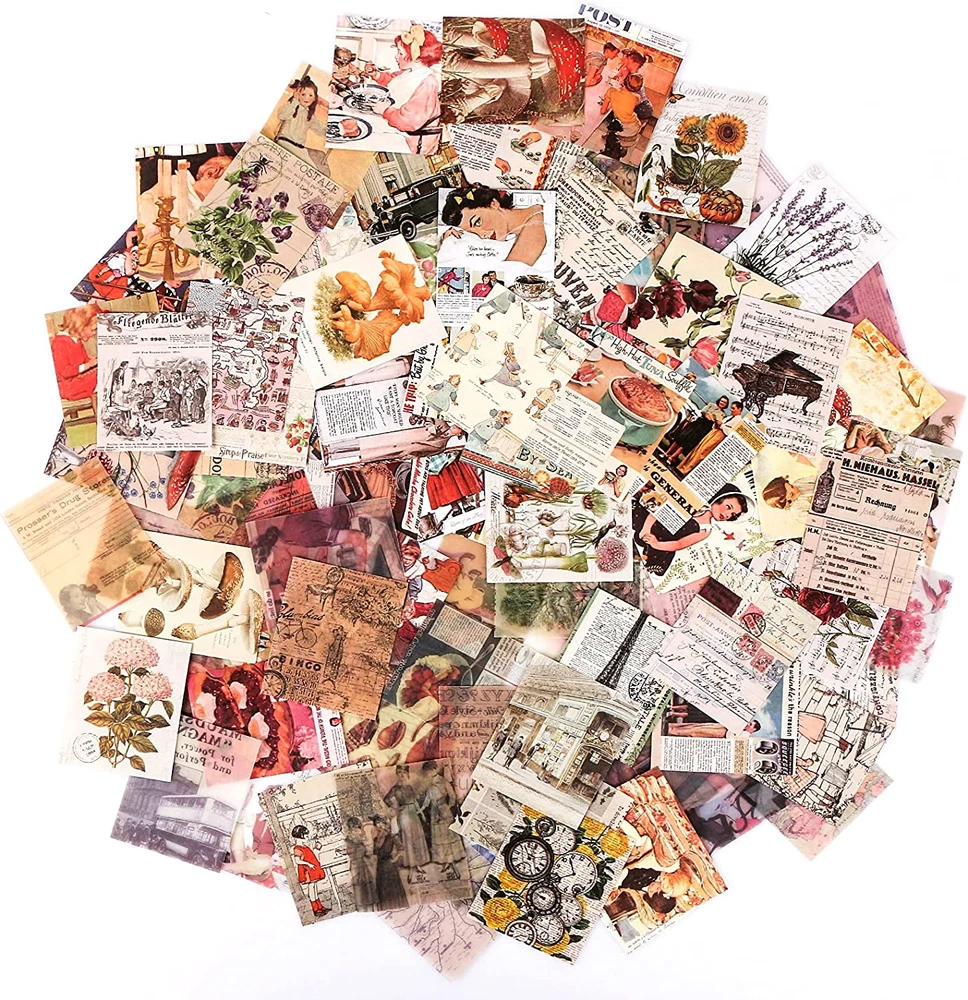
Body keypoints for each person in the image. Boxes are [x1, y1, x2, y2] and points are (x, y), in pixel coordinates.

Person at [636, 483, 749, 575]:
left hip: (663, 545)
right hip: (649, 525)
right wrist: (646, 528)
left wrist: (656, 544)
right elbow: (660, 509)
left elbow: (679, 544)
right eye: (728, 507)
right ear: (720, 498)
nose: (728, 514)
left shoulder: (705, 529)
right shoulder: (692, 501)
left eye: (733, 514)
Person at [364, 25, 444, 154]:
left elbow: (410, 121)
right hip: (399, 126)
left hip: (413, 140)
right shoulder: (411, 72)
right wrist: (376, 75)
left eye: (400, 53)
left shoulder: (427, 82)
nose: (396, 57)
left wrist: (385, 110)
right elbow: (394, 81)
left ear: (416, 58)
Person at [440, 187, 547, 266]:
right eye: (472, 233)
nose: (482, 235)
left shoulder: (536, 221)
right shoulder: (512, 236)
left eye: (478, 222)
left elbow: (510, 278)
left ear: (493, 203)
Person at [383, 766, 431, 880]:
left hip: (413, 814)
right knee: (408, 839)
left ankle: (418, 864)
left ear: (407, 774)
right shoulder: (395, 788)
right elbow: (386, 799)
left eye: (404, 772)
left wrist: (421, 814)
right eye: (399, 772)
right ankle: (411, 866)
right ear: (397, 774)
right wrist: (395, 808)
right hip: (404, 814)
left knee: (416, 838)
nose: (402, 775)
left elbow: (415, 802)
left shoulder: (409, 787)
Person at [420, 762, 465, 877]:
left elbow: (452, 796)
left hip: (444, 810)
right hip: (434, 812)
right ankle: (446, 862)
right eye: (426, 772)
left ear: (434, 769)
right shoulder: (430, 784)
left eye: (429, 771)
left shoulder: (443, 781)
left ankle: (453, 864)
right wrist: (421, 810)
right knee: (439, 837)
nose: (428, 773)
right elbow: (427, 800)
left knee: (447, 836)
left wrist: (448, 807)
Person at [677, 400, 743, 474]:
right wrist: (717, 423)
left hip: (720, 435)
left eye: (733, 408)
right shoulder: (729, 417)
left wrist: (721, 425)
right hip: (714, 431)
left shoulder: (739, 420)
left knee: (703, 451)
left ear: (739, 409)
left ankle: (686, 470)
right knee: (699, 447)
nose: (731, 410)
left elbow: (731, 432)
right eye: (731, 408)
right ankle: (682, 466)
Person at [273, 72, 328, 152]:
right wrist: (295, 100)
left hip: (299, 147)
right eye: (303, 94)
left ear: (314, 98)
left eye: (310, 95)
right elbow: (282, 116)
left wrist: (333, 127)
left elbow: (320, 130)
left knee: (318, 156)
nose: (306, 98)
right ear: (298, 95)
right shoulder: (291, 106)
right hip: (285, 142)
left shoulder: (309, 115)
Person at [290, 824, 328, 916]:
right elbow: (298, 861)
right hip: (307, 871)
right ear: (300, 836)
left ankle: (319, 906)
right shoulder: (297, 848)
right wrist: (308, 864)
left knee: (314, 888)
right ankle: (316, 909)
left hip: (311, 870)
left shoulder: (305, 847)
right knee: (311, 889)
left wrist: (316, 848)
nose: (307, 838)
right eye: (306, 836)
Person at [372, 815, 409, 910]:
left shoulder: (390, 837)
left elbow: (402, 848)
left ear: (384, 824)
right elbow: (375, 853)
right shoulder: (375, 839)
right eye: (376, 824)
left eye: (379, 823)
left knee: (394, 891)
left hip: (390, 867)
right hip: (380, 868)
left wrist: (395, 859)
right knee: (383, 891)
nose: (378, 826)